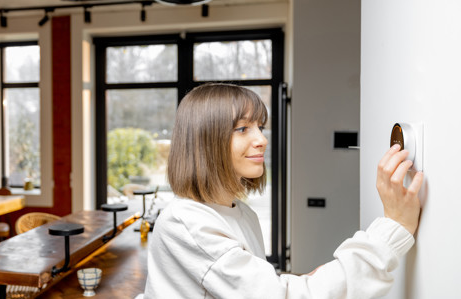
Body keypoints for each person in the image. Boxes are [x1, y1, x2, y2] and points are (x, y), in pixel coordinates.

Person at [142, 83, 424, 299]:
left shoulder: (242, 214)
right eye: (242, 129)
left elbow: (259, 286)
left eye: (259, 127)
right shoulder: (186, 222)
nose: (261, 140)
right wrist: (391, 230)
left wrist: (295, 281)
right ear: (205, 141)